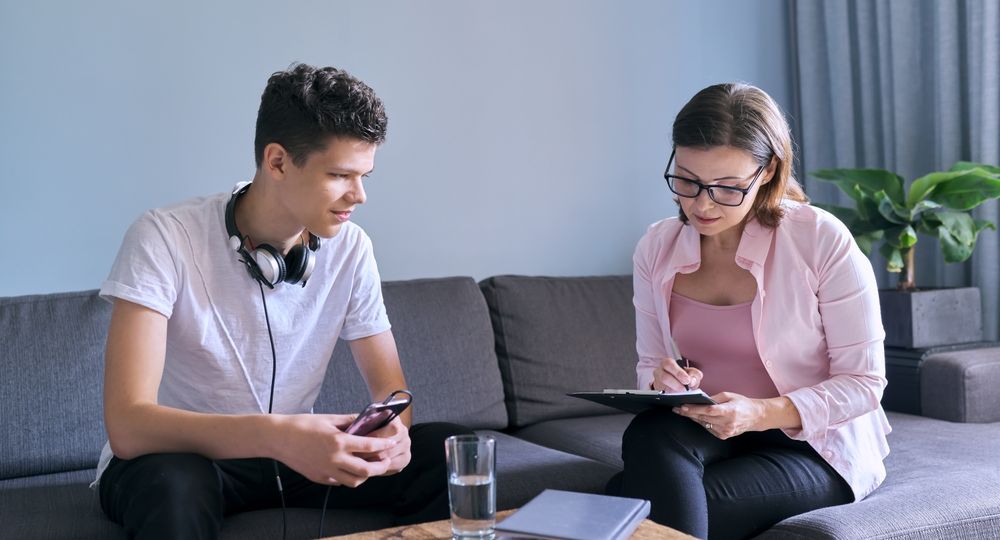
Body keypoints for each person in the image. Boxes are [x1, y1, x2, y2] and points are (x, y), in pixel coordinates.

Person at [94, 63, 472, 539]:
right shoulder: (163, 236)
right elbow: (129, 425)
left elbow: (392, 397)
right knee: (174, 483)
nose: (360, 196)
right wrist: (281, 436)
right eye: (340, 175)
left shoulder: (352, 249)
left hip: (290, 459)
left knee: (445, 448)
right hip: (182, 461)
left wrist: (393, 439)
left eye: (364, 175)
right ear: (277, 162)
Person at [610, 83, 890, 539]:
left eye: (727, 188)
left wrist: (757, 414)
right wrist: (663, 382)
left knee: (626, 500)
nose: (701, 204)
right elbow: (649, 365)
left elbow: (864, 383)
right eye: (686, 180)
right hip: (711, 429)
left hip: (812, 445)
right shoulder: (656, 248)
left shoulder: (819, 239)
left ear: (767, 172)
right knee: (648, 432)